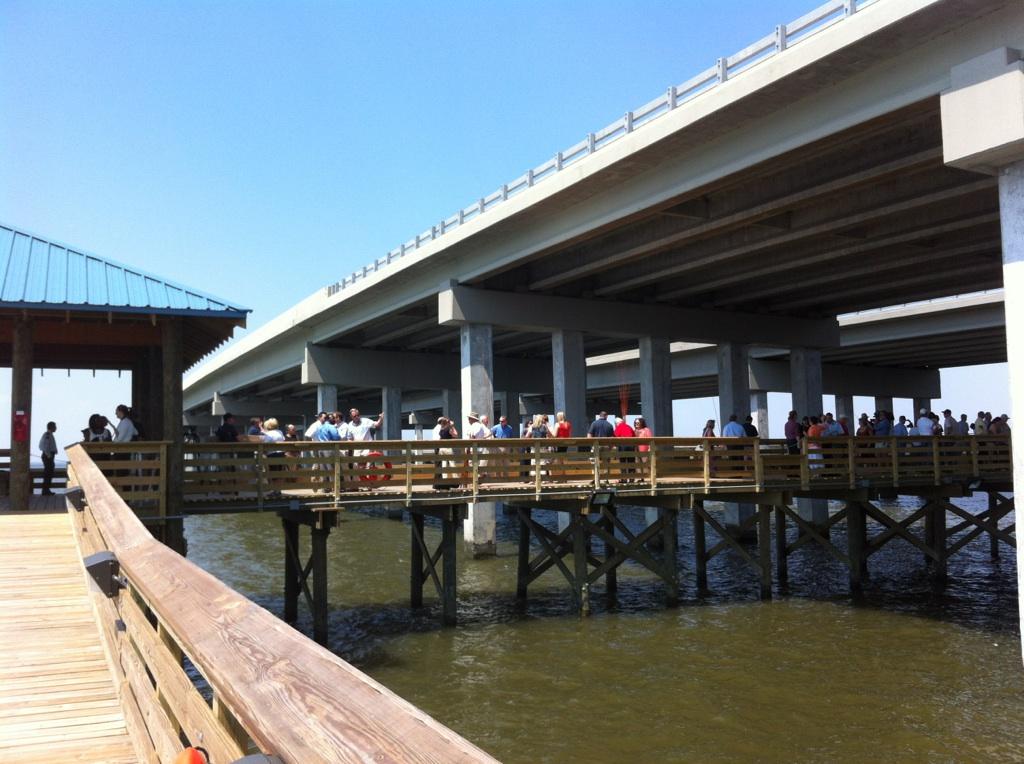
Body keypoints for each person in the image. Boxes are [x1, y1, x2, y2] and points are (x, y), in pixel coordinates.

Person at [39, 421, 58, 495]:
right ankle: (45, 490)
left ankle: (46, 490)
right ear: (51, 427)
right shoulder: (48, 435)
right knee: (48, 473)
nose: (56, 428)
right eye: (55, 426)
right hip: (48, 456)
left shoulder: (49, 434)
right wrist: (49, 455)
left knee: (49, 473)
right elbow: (45, 446)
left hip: (49, 456)